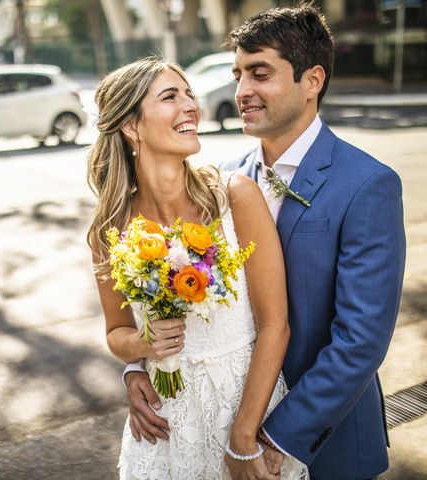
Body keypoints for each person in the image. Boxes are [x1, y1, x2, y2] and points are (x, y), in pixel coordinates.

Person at [124, 5, 406, 480]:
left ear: (312, 80)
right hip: (222, 420)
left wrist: (272, 439)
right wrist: (137, 366)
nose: (241, 92)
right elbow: (170, 290)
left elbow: (360, 341)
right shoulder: (220, 178)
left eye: (259, 74)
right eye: (237, 75)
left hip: (322, 440)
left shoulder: (368, 184)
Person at [87, 57, 308, 479]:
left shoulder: (235, 197)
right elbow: (117, 334)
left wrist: (243, 437)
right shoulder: (110, 228)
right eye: (170, 97)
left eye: (189, 94)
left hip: (247, 405)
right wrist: (141, 349)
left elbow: (275, 326)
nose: (191, 105)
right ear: (131, 126)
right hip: (165, 423)